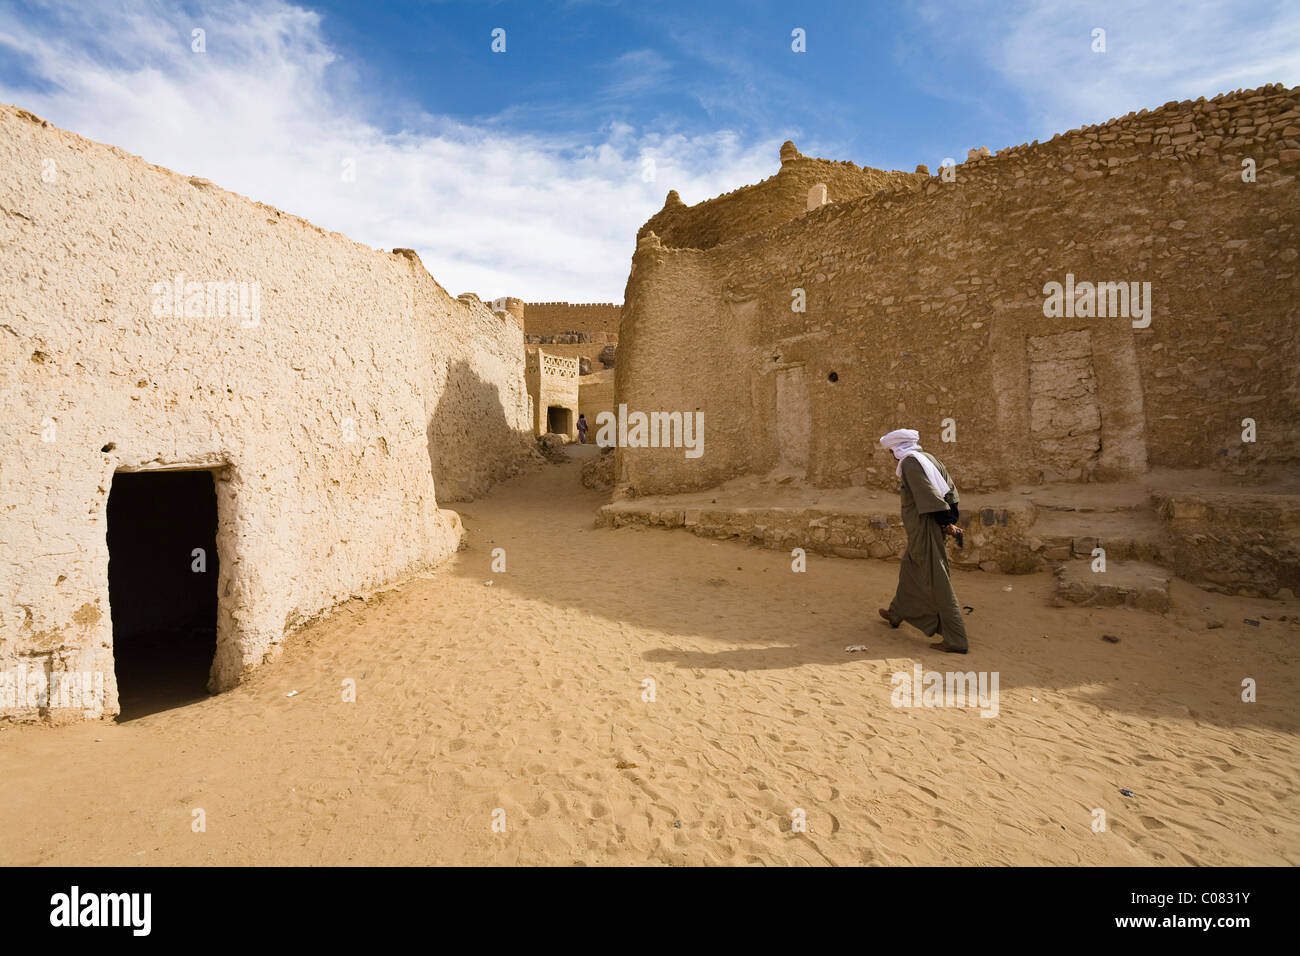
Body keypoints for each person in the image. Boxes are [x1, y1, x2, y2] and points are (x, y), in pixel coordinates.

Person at [876, 428, 969, 654]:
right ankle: (896, 613)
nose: (891, 456)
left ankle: (956, 639)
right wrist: (950, 518)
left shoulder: (910, 463)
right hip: (926, 527)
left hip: (924, 528)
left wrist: (945, 522)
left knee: (938, 581)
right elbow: (950, 490)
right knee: (910, 569)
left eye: (891, 451)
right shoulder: (928, 459)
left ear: (897, 449)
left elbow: (928, 495)